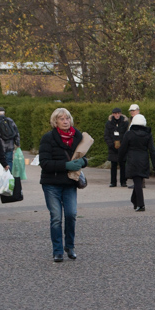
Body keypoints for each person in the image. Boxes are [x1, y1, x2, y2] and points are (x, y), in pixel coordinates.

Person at [39, 108, 89, 262]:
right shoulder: (48, 138)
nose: (65, 121)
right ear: (56, 121)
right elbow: (45, 163)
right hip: (51, 183)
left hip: (69, 183)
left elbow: (83, 157)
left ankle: (70, 246)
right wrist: (66, 165)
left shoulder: (78, 136)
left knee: (71, 214)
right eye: (61, 118)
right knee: (56, 217)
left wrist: (83, 162)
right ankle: (58, 250)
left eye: (67, 118)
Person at [119, 114, 155, 211]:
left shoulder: (129, 134)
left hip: (132, 159)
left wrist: (120, 159)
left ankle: (141, 204)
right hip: (143, 159)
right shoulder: (148, 134)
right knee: (138, 180)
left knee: (137, 180)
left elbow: (123, 148)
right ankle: (134, 200)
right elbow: (152, 150)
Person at [104, 108, 129, 187]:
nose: (117, 115)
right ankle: (113, 182)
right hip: (112, 147)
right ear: (113, 114)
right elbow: (106, 135)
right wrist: (111, 144)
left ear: (120, 114)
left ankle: (123, 182)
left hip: (122, 147)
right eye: (115, 113)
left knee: (123, 165)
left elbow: (127, 135)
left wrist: (123, 144)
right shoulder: (109, 123)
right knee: (113, 165)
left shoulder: (125, 123)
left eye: (118, 113)